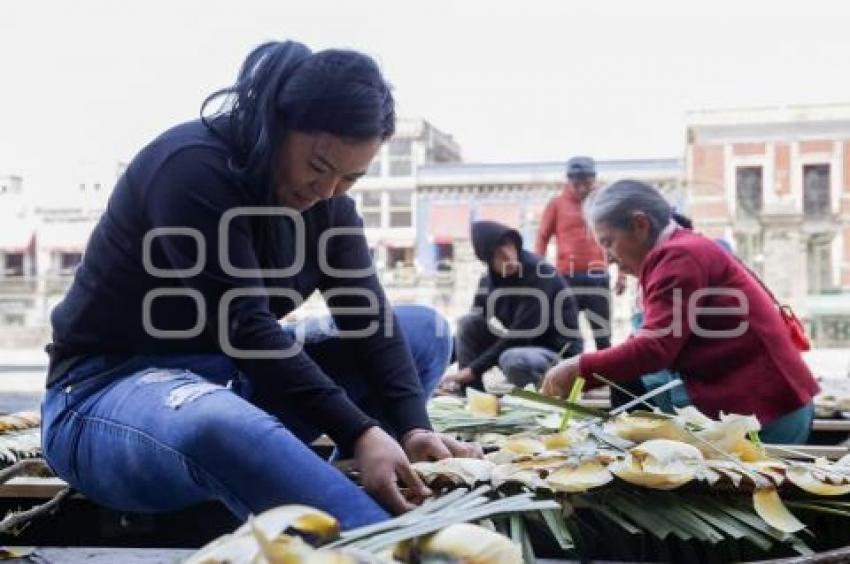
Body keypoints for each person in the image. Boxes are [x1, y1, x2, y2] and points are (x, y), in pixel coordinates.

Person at [40, 40, 480, 531]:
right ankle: (385, 541)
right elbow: (247, 329)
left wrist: (411, 426)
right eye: (317, 167)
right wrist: (360, 430)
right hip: (106, 397)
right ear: (278, 124)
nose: (326, 192)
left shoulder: (327, 207)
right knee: (218, 420)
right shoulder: (192, 169)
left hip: (231, 381)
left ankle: (312, 485)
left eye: (349, 180)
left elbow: (367, 319)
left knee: (425, 331)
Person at [542, 180, 820, 444]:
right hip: (757, 410)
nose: (608, 259)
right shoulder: (675, 253)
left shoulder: (680, 256)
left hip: (768, 417)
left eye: (609, 243)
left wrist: (576, 369)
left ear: (640, 224)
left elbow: (655, 348)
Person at [535, 156, 638, 406]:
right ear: (569, 181)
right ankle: (570, 383)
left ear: (594, 179)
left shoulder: (604, 204)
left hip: (597, 276)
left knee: (603, 333)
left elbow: (618, 237)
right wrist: (538, 271)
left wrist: (622, 273)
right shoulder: (557, 204)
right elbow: (542, 237)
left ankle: (603, 382)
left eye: (586, 181)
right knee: (568, 334)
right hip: (565, 278)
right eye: (576, 182)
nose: (581, 187)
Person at [441, 221, 582, 392]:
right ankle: (471, 393)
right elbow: (467, 333)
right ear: (487, 259)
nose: (508, 256)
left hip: (558, 356)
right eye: (497, 253)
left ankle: (541, 401)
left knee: (513, 359)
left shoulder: (540, 273)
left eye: (509, 246)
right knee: (468, 322)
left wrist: (473, 369)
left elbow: (521, 335)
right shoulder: (488, 282)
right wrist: (437, 362)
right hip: (520, 349)